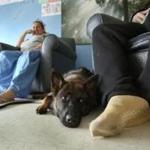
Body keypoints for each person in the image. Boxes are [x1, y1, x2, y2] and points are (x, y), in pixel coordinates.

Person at [89, 6, 150, 137]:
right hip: (145, 24)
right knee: (102, 31)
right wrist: (137, 15)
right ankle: (120, 97)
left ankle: (145, 99)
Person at [0, 20, 48, 104]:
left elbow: (48, 44)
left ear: (43, 29)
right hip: (21, 53)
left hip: (33, 52)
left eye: (38, 27)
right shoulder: (28, 39)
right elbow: (18, 46)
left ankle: (12, 91)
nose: (35, 29)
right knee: (4, 54)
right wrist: (25, 32)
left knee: (27, 55)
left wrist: (38, 46)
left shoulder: (45, 36)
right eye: (33, 27)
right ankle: (2, 88)